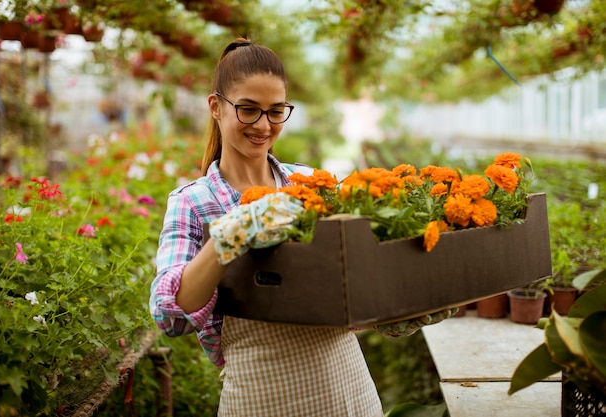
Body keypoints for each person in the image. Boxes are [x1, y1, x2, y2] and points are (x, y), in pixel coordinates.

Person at [150, 38, 454, 417]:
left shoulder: (314, 185)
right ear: (216, 106)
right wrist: (225, 241)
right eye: (248, 110)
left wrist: (395, 311)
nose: (263, 125)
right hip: (259, 397)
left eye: (276, 112)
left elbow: (354, 281)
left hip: (347, 391)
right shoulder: (192, 202)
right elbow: (170, 316)